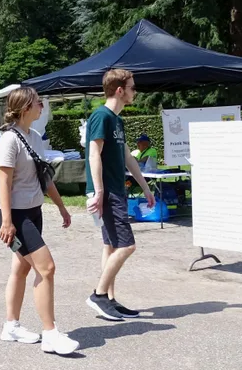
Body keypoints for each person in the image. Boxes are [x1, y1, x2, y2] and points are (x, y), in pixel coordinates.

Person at [0, 87, 78, 355]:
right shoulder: (9, 140)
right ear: (24, 107)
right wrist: (7, 222)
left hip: (33, 211)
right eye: (38, 102)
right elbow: (3, 184)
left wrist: (62, 208)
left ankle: (11, 326)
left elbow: (44, 178)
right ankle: (50, 333)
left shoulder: (34, 137)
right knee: (47, 268)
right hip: (16, 215)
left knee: (21, 270)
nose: (42, 106)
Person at [85, 69, 155, 321]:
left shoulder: (117, 120)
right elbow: (94, 154)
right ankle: (99, 295)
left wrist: (145, 188)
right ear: (119, 90)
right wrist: (100, 192)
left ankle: (110, 301)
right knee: (127, 245)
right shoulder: (101, 116)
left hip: (115, 191)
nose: (135, 91)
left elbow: (127, 158)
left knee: (111, 245)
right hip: (108, 193)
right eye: (132, 87)